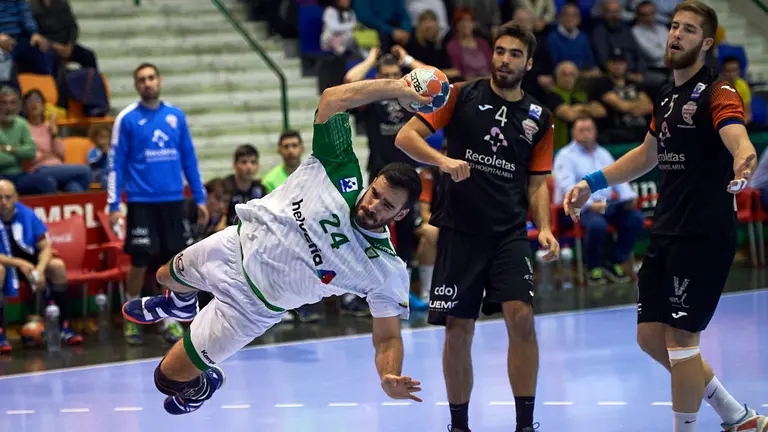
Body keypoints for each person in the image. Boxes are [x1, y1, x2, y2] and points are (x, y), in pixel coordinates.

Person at [120, 77, 429, 415]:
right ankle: (181, 305)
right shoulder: (338, 168)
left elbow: (387, 337)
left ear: (400, 215)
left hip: (252, 308)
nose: (373, 206)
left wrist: (388, 374)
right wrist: (397, 88)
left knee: (166, 379)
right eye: (375, 195)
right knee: (166, 276)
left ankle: (204, 383)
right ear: (370, 185)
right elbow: (332, 98)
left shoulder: (384, 267)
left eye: (386, 206)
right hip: (232, 247)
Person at [563, 3, 767, 432]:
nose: (676, 34)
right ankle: (736, 416)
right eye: (674, 26)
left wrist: (744, 160)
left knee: (680, 342)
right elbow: (646, 155)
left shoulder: (718, 92)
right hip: (667, 230)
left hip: (703, 233)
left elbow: (738, 137)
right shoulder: (666, 96)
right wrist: (592, 181)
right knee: (650, 338)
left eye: (689, 30)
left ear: (706, 43)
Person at [396, 22, 559, 432]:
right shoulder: (459, 94)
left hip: (508, 233)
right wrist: (444, 162)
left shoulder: (540, 117)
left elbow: (537, 180)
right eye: (500, 51)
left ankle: (524, 424)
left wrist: (544, 227)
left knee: (521, 317)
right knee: (459, 327)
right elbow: (406, 136)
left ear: (529, 62)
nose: (504, 59)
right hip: (460, 230)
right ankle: (459, 425)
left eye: (514, 54)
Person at [108, 63, 208, 345]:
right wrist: (114, 204)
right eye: (142, 80)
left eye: (151, 78)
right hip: (141, 201)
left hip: (174, 201)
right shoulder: (127, 119)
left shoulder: (175, 116)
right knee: (139, 261)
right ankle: (132, 317)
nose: (148, 83)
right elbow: (115, 163)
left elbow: (189, 159)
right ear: (136, 85)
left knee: (173, 264)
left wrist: (199, 198)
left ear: (159, 81)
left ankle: (169, 319)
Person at [553, 116, 643, 285]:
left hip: (607, 205)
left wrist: (629, 197)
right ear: (573, 133)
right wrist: (588, 204)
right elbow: (568, 187)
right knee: (597, 225)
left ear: (595, 132)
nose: (586, 134)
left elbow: (619, 178)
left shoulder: (603, 153)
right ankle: (593, 268)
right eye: (581, 130)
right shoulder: (565, 156)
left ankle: (614, 261)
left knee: (635, 218)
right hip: (575, 209)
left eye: (589, 129)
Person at [0, 180, 82, 352]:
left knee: (57, 266)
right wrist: (18, 263)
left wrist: (40, 269)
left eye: (7, 197)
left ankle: (63, 327)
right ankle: (1, 334)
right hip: (7, 266)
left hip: (31, 264)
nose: (3, 202)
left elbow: (45, 247)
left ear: (16, 197)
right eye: (0, 198)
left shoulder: (27, 214)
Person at [222, 144, 265, 227]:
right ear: (234, 165)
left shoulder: (261, 190)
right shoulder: (224, 187)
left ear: (258, 166)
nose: (249, 167)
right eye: (244, 162)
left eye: (253, 162)